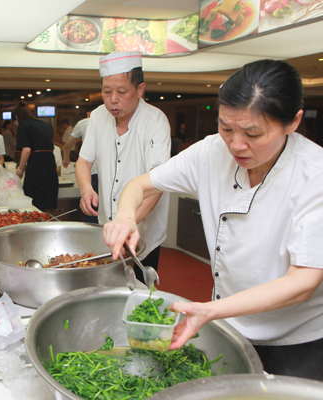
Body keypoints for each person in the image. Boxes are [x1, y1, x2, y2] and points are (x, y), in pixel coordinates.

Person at [103, 60, 323, 380]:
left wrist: (209, 310)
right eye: (226, 128)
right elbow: (140, 185)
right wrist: (125, 217)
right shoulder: (210, 152)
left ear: (293, 122)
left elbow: (303, 282)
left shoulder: (314, 176)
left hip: (295, 340)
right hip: (229, 325)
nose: (236, 145)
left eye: (253, 133)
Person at [77, 51, 170, 280]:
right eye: (107, 92)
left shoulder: (155, 121)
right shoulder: (97, 116)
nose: (113, 100)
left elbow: (157, 182)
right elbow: (83, 161)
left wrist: (128, 224)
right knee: (106, 284)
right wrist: (86, 189)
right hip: (107, 227)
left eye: (121, 92)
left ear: (139, 90)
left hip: (144, 228)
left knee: (140, 288)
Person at [14, 102, 58, 210]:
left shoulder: (23, 125)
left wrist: (20, 169)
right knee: (48, 203)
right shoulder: (45, 124)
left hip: (36, 167)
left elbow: (26, 150)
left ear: (16, 117)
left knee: (34, 203)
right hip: (50, 167)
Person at [63, 102, 102, 223]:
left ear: (88, 113)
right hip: (109, 173)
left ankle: (92, 231)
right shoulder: (112, 121)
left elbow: (68, 144)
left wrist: (66, 158)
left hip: (91, 171)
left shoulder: (83, 123)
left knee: (91, 207)